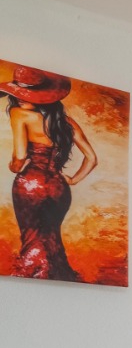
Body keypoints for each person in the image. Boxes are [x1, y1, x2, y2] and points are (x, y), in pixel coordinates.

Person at [5, 66, 97, 280]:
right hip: (58, 188)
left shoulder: (19, 115)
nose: (19, 98)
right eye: (17, 93)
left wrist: (13, 167)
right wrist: (72, 180)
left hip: (30, 185)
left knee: (32, 238)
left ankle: (34, 277)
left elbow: (19, 158)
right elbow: (92, 158)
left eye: (25, 93)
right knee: (51, 237)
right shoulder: (67, 122)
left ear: (41, 96)